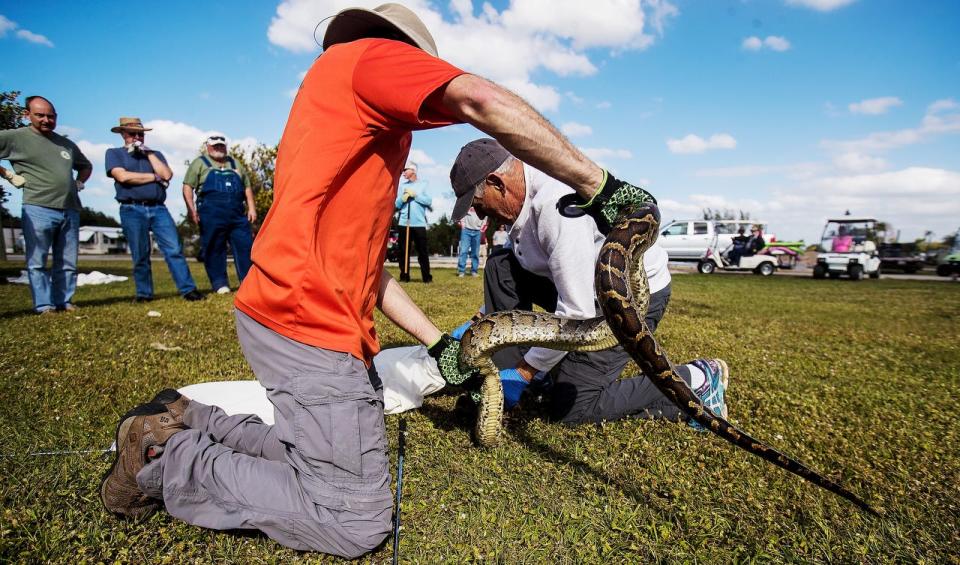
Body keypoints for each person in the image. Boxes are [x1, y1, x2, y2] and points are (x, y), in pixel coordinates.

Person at [100, 3, 656, 558]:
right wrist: (597, 184)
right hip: (307, 324)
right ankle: (162, 461)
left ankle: (181, 418)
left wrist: (437, 344)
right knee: (353, 520)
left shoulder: (342, 111)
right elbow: (482, 99)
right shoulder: (373, 58)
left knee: (319, 453)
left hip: (294, 311)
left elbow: (370, 273)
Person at [448, 138, 729, 425]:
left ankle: (698, 379)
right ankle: (508, 383)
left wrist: (524, 374)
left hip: (621, 303)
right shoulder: (522, 202)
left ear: (497, 182)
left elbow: (576, 313)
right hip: (584, 288)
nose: (480, 215)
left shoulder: (552, 206)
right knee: (501, 264)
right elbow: (517, 269)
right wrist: (479, 319)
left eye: (478, 203)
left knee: (572, 408)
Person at [0, 96, 91, 314]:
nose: (46, 120)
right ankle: (44, 305)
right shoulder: (15, 137)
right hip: (38, 207)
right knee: (37, 260)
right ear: (27, 115)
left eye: (51, 116)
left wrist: (79, 181)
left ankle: (64, 301)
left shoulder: (66, 144)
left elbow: (86, 165)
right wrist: (8, 175)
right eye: (40, 115)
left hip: (70, 208)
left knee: (68, 261)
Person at [105, 118, 204, 303]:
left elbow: (167, 174)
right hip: (131, 208)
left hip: (158, 208)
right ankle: (144, 294)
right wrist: (153, 177)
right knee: (140, 253)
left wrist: (148, 153)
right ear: (123, 135)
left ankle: (188, 290)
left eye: (140, 134)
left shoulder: (155, 154)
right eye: (132, 134)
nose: (137, 137)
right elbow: (123, 177)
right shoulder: (114, 153)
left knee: (174, 249)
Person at [182, 135, 256, 294]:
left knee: (245, 246)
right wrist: (191, 210)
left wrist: (251, 208)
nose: (219, 149)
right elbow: (187, 186)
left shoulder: (235, 163)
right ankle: (219, 283)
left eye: (221, 146)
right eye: (215, 146)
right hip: (211, 212)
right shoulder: (200, 163)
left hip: (237, 213)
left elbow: (247, 187)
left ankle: (248, 282)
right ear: (208, 148)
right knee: (214, 247)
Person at [394, 161, 432, 282]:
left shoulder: (424, 185)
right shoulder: (402, 186)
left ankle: (426, 277)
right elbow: (397, 204)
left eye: (406, 170)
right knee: (403, 251)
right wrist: (403, 198)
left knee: (422, 251)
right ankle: (404, 276)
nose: (403, 172)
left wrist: (415, 196)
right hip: (404, 222)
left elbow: (428, 201)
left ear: (413, 171)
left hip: (419, 223)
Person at [457, 206, 485, 277]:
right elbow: (461, 213)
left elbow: (486, 217)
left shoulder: (481, 205)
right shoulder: (467, 202)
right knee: (463, 251)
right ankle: (461, 271)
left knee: (475, 252)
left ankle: (474, 271)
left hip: (477, 231)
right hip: (466, 230)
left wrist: (482, 228)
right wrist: (462, 224)